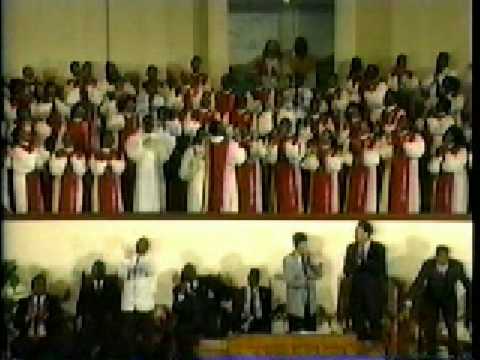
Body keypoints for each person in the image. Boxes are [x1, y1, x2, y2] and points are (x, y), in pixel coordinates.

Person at [403, 245, 471, 359]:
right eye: (440, 257)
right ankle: (431, 352)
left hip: (449, 299)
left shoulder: (457, 266)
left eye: (445, 257)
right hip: (431, 299)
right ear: (436, 257)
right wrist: (409, 299)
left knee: (451, 326)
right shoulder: (428, 265)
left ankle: (454, 353)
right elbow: (418, 282)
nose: (442, 260)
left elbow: (466, 283)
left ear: (448, 257)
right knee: (430, 326)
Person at [343, 220, 386, 341]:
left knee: (374, 320)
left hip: (373, 291)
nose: (357, 235)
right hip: (356, 289)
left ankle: (376, 346)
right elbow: (347, 268)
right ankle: (360, 346)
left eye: (360, 232)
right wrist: (356, 267)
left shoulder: (378, 248)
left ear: (367, 234)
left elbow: (380, 268)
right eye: (356, 232)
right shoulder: (351, 248)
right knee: (357, 319)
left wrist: (362, 263)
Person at [125, 114, 175, 212]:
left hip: (155, 169)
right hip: (143, 170)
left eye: (151, 124)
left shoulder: (158, 136)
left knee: (155, 193)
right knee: (143, 194)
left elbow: (165, 152)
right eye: (147, 124)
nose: (150, 126)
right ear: (143, 124)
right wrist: (142, 144)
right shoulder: (137, 137)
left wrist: (157, 143)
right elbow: (131, 152)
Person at [119, 236, 157, 359]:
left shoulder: (151, 262)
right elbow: (121, 277)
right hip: (129, 305)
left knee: (147, 339)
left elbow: (151, 276)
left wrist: (135, 270)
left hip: (145, 305)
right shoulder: (127, 261)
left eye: (143, 245)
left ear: (147, 248)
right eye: (138, 244)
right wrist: (130, 266)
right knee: (128, 338)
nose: (140, 247)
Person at [75, 260, 122, 359]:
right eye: (95, 270)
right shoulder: (86, 287)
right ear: (92, 272)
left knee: (109, 332)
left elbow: (117, 304)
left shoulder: (112, 286)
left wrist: (112, 315)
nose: (98, 273)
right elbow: (80, 305)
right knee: (87, 331)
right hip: (90, 319)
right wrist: (80, 317)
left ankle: (104, 353)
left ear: (104, 272)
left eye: (101, 270)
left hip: (106, 319)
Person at [11, 274, 64, 360]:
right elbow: (16, 323)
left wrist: (46, 317)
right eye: (37, 285)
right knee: (20, 347)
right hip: (27, 339)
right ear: (33, 287)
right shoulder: (23, 302)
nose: (40, 287)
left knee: (52, 350)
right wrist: (27, 317)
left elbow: (59, 320)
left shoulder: (53, 301)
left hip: (47, 339)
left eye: (42, 285)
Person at [283, 232, 322, 332]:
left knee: (311, 336)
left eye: (306, 244)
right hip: (297, 306)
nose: (306, 246)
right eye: (304, 244)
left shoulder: (308, 259)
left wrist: (312, 261)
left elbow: (318, 275)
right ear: (298, 244)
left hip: (310, 305)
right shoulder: (289, 259)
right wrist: (305, 282)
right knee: (297, 338)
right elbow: (290, 281)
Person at [172, 263, 203, 360]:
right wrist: (181, 293)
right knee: (180, 334)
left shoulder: (200, 288)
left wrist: (190, 294)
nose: (188, 277)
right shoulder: (177, 290)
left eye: (190, 274)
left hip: (197, 323)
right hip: (183, 323)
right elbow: (176, 308)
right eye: (186, 274)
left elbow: (200, 306)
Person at [236, 268, 272, 333]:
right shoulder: (241, 292)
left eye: (256, 277)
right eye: (253, 277)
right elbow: (237, 309)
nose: (255, 280)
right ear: (248, 278)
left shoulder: (266, 292)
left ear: (259, 279)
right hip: (245, 321)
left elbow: (269, 309)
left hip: (260, 322)